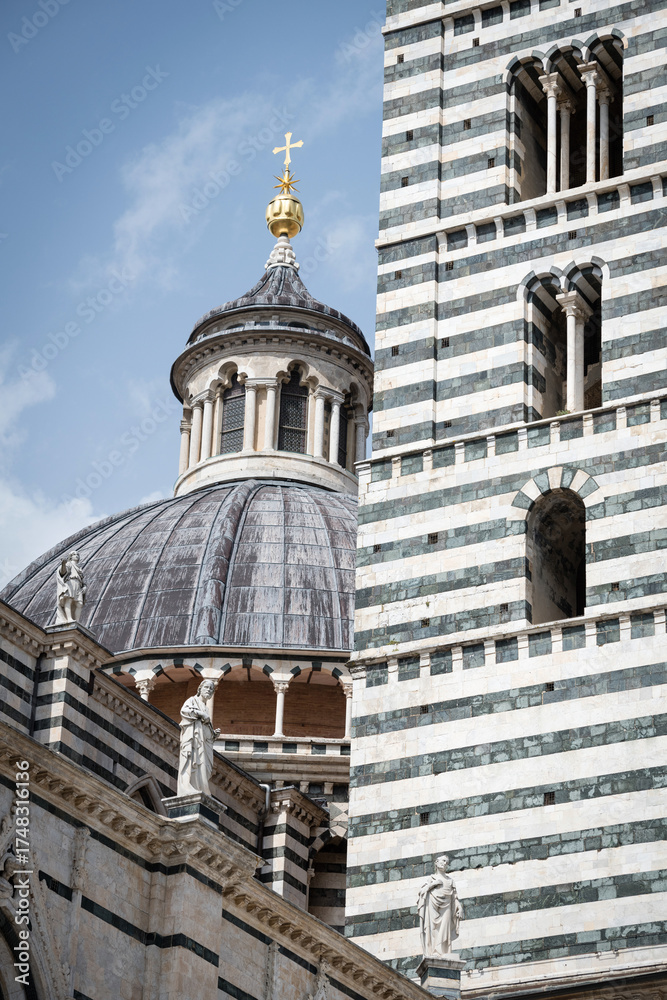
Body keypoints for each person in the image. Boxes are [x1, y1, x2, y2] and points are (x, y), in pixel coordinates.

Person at [177, 679, 220, 796]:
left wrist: (213, 734)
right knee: (192, 761)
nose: (209, 690)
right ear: (200, 689)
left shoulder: (206, 708)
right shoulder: (192, 700)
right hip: (193, 741)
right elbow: (184, 711)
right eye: (206, 687)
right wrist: (200, 714)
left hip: (203, 743)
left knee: (205, 767)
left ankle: (201, 787)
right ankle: (188, 786)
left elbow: (205, 729)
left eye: (211, 689)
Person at [417, 855, 463, 957]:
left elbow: (454, 898)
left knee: (445, 927)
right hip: (432, 904)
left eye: (446, 862)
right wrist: (434, 884)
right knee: (432, 928)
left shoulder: (450, 881)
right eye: (442, 861)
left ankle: (443, 951)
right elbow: (421, 892)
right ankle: (433, 951)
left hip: (447, 906)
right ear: (436, 862)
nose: (444, 863)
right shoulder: (431, 878)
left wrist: (459, 907)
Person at [56, 550, 86, 624]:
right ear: (70, 557)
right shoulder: (69, 564)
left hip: (78, 585)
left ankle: (77, 620)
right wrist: (63, 564)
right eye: (74, 554)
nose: (76, 556)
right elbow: (63, 572)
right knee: (68, 600)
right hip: (70, 583)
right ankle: (69, 618)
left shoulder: (79, 569)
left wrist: (84, 587)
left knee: (79, 604)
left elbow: (82, 581)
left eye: (77, 554)